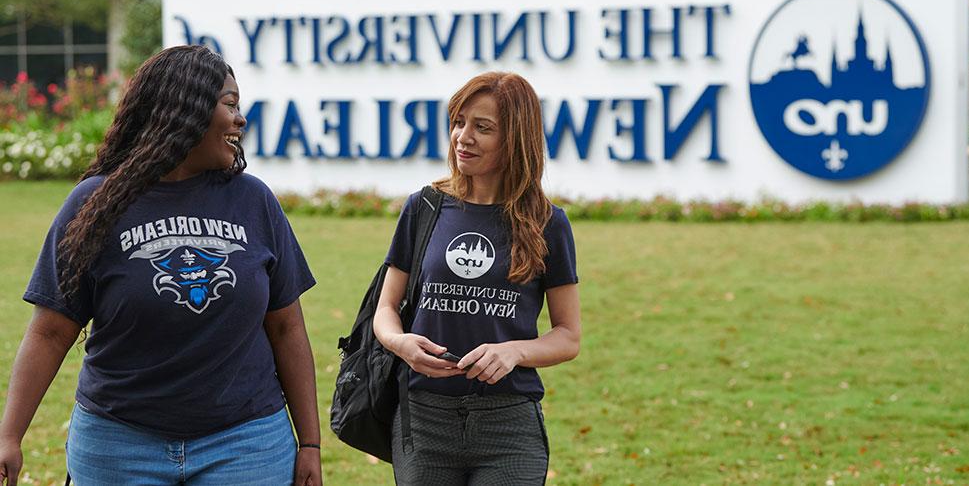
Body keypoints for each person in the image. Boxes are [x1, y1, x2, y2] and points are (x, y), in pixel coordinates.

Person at [0, 45, 322, 486]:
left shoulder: (254, 200)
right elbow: (51, 330)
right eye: (229, 104)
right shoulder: (96, 203)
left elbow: (286, 327)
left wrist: (310, 444)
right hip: (118, 444)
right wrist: (10, 435)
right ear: (185, 110)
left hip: (247, 443)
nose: (240, 119)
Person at [373, 71, 581, 485]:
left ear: (516, 138)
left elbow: (569, 336)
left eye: (482, 128)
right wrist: (402, 345)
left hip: (508, 423)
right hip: (424, 419)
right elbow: (385, 309)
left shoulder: (547, 222)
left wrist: (515, 353)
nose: (462, 137)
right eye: (459, 122)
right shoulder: (425, 208)